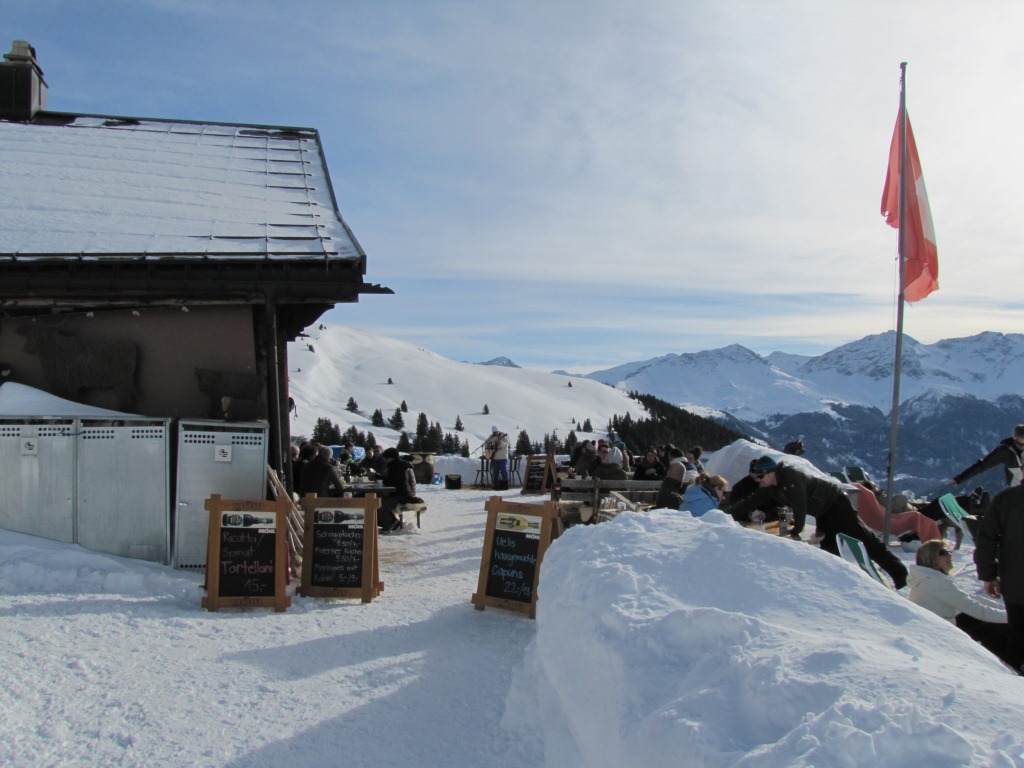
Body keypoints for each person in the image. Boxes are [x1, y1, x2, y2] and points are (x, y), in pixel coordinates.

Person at [724, 455, 909, 590]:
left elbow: (800, 504)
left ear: (771, 473)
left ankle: (900, 574)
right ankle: (837, 584)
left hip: (836, 504)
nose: (758, 481)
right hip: (823, 511)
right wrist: (723, 514)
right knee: (828, 547)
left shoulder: (790, 476)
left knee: (864, 539)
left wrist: (796, 530)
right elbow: (750, 501)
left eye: (760, 477)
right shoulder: (772, 486)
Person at [909, 540, 1012, 668]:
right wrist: (1015, 617)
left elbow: (970, 599)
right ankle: (1017, 664)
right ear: (930, 557)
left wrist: (1012, 610)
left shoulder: (929, 578)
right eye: (943, 552)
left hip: (941, 627)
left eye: (949, 551)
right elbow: (978, 610)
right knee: (1002, 627)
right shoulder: (935, 582)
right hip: (942, 637)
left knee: (977, 618)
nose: (950, 555)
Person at [974, 483, 1024, 673]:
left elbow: (986, 538)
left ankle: (1012, 678)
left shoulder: (1006, 499)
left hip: (1016, 583)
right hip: (1015, 582)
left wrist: (988, 575)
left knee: (1018, 635)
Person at [945, 424, 1024, 489]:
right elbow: (982, 465)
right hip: (1017, 489)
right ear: (1014, 439)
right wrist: (958, 479)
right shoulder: (1004, 451)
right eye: (1020, 444)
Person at [379, 448, 424, 532]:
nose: (385, 460)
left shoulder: (397, 466)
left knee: (379, 505)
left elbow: (393, 482)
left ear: (391, 458)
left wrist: (378, 478)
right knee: (378, 501)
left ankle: (391, 523)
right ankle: (390, 522)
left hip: (401, 495)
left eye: (386, 458)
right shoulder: (396, 465)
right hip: (399, 493)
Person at [727, 459, 783, 523]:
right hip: (746, 522)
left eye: (761, 474)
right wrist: (749, 515)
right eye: (755, 473)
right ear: (750, 472)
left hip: (770, 521)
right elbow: (735, 508)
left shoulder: (771, 485)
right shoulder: (740, 487)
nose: (758, 476)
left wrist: (767, 515)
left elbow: (780, 506)